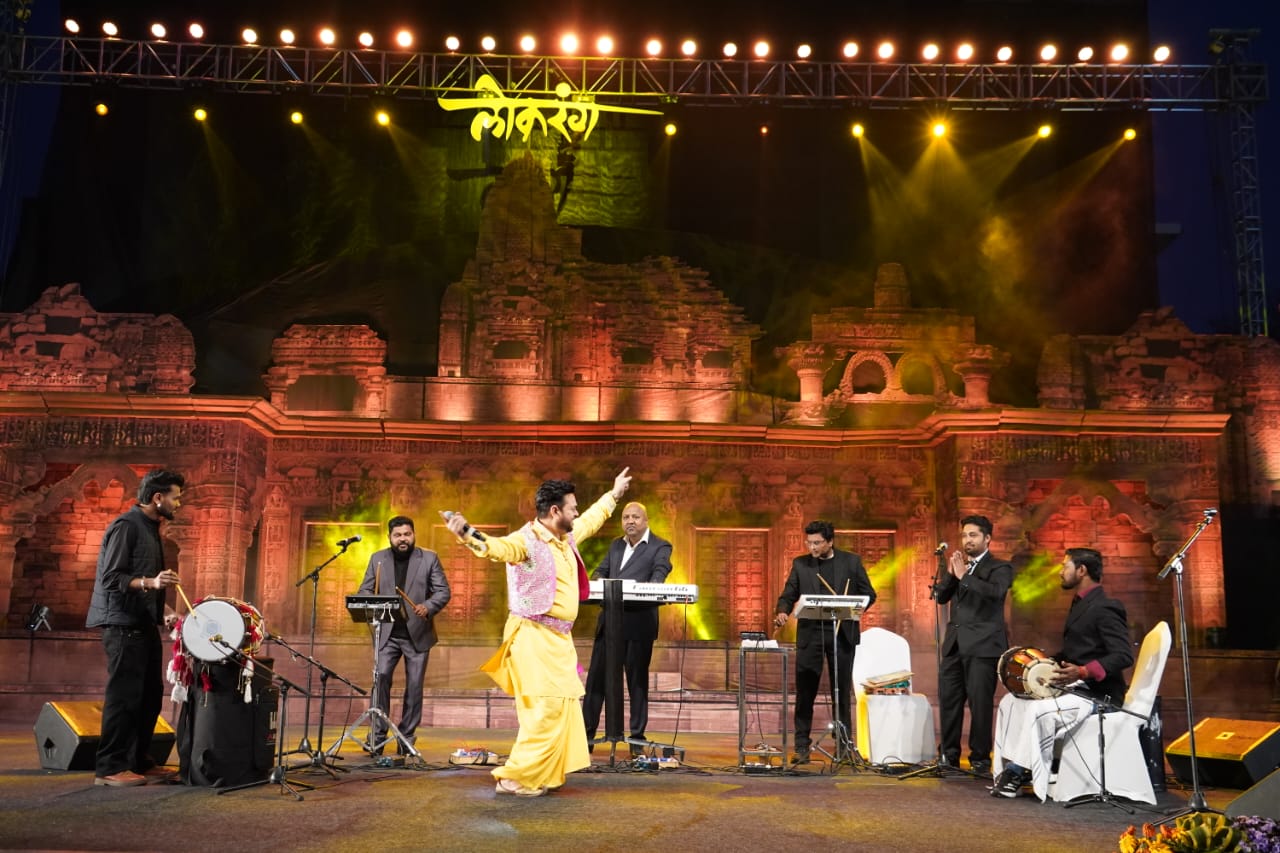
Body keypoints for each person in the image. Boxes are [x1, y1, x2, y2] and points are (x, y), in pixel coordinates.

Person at [446, 467, 632, 797]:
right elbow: (497, 548)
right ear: (555, 511)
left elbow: (592, 519)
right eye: (572, 507)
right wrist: (468, 534)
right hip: (532, 636)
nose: (577, 512)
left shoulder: (566, 538)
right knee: (543, 710)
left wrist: (614, 494)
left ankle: (544, 772)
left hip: (559, 640)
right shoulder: (526, 541)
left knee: (561, 708)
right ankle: (515, 777)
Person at [990, 547, 1135, 799]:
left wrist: (1083, 671)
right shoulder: (1081, 603)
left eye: (1065, 566)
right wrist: (1043, 662)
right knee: (1011, 702)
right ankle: (1016, 765)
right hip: (1076, 689)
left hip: (1099, 695)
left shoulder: (1106, 606)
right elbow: (1075, 652)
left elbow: (1123, 655)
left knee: (1039, 710)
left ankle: (1017, 771)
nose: (1060, 571)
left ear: (1082, 570)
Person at [85, 469, 185, 787]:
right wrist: (152, 582)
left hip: (143, 624)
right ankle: (109, 767)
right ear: (158, 497)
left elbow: (142, 582)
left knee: (150, 697)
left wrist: (166, 611)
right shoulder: (126, 526)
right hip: (122, 624)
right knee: (124, 698)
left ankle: (139, 760)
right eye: (175, 497)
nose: (178, 504)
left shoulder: (150, 528)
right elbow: (112, 578)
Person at [773, 520, 876, 764]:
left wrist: (854, 608)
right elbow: (788, 594)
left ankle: (843, 747)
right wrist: (782, 611)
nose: (812, 547)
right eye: (809, 542)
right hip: (811, 635)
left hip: (842, 633)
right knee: (805, 692)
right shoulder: (801, 564)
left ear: (830, 541)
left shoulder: (851, 562)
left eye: (817, 543)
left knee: (841, 692)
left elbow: (869, 594)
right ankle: (802, 746)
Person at [582, 502, 674, 752]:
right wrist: (598, 583)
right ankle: (585, 739)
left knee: (637, 683)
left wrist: (653, 586)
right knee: (596, 683)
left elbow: (661, 570)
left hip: (638, 624)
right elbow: (600, 571)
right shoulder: (616, 545)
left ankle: (637, 741)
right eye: (625, 517)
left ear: (646, 521)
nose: (630, 521)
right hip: (609, 624)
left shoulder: (660, 546)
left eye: (635, 517)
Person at [357, 515, 451, 755]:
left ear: (413, 535)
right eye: (397, 535)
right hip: (387, 633)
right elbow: (365, 590)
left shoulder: (429, 558)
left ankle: (406, 738)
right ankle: (377, 737)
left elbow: (442, 591)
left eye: (407, 534)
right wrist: (375, 605)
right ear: (389, 537)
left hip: (417, 633)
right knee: (381, 680)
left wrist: (428, 606)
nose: (403, 539)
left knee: (414, 686)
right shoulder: (378, 559)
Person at [935, 514, 1014, 776]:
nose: (967, 540)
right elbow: (941, 597)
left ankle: (980, 759)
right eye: (964, 535)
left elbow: (995, 593)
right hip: (954, 645)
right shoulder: (959, 566)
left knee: (980, 705)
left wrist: (964, 576)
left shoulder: (1000, 567)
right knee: (949, 701)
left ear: (987, 538)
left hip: (983, 646)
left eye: (973, 535)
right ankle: (948, 755)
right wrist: (951, 575)